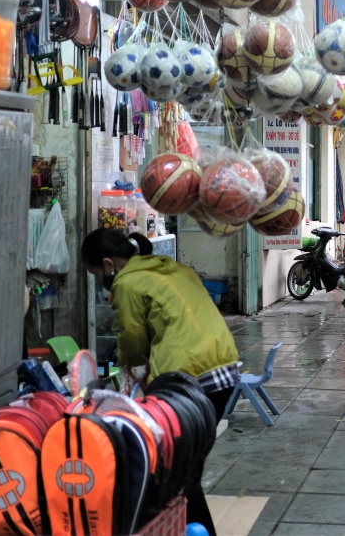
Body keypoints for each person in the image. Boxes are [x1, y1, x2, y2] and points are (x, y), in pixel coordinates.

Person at [81, 229, 239, 536]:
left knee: (178, 472)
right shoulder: (171, 267)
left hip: (189, 379)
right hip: (224, 370)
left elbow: (132, 339)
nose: (98, 280)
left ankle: (196, 530)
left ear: (108, 264)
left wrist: (126, 374)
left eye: (94, 273)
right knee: (182, 468)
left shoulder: (127, 283)